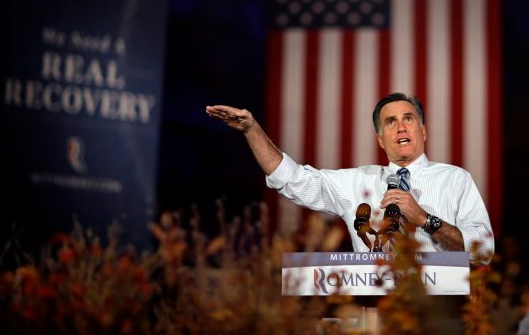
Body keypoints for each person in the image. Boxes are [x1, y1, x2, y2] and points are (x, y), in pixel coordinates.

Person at [205, 92, 494, 264]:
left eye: (408, 119)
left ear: (423, 131)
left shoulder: (456, 180)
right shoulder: (359, 182)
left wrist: (424, 219)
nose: (400, 127)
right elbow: (292, 179)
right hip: (373, 315)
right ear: (381, 140)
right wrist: (251, 130)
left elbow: (484, 252)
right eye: (390, 122)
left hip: (440, 317)